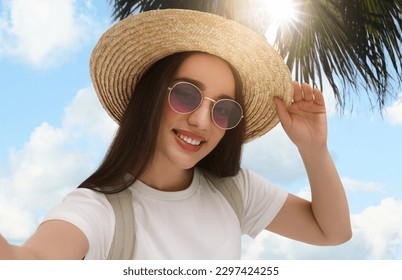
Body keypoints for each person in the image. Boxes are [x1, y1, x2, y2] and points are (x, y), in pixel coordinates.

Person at [0, 9, 351, 260]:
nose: (201, 120)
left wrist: (313, 148)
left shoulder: (234, 190)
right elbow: (28, 262)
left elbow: (332, 232)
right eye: (186, 95)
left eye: (223, 109)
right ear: (152, 96)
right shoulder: (98, 210)